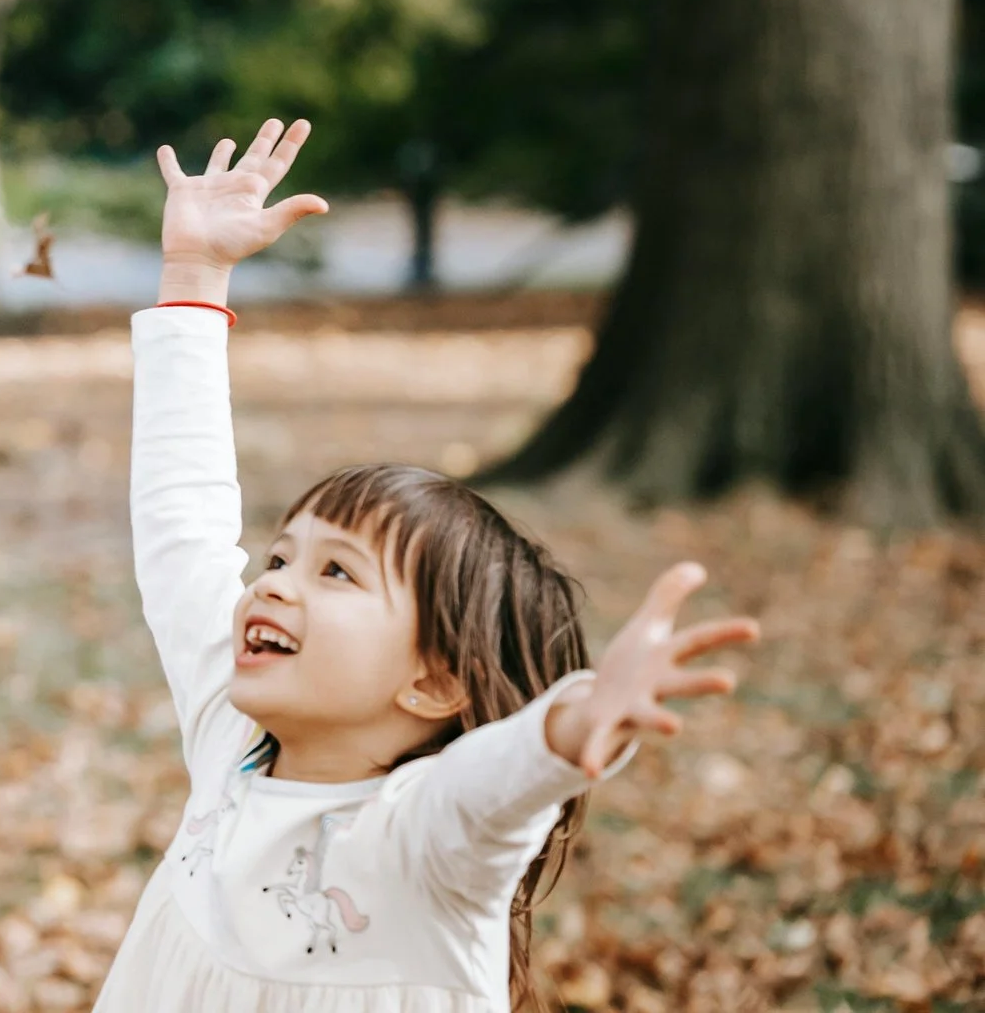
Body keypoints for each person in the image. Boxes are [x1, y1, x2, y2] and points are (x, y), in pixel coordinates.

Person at [97, 119, 761, 1011]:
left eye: (336, 574)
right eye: (285, 554)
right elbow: (184, 519)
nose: (276, 581)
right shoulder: (232, 736)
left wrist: (580, 719)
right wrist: (194, 278)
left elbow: (506, 780)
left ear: (437, 682)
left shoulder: (431, 841)